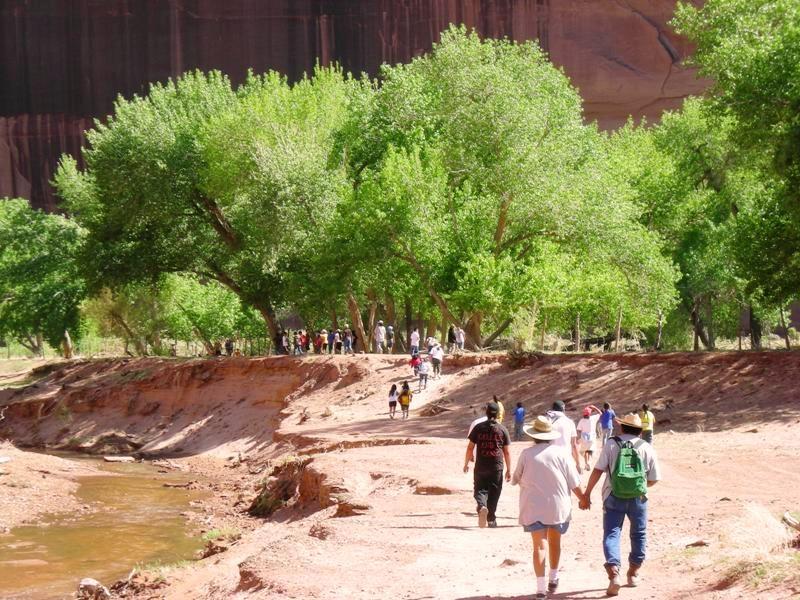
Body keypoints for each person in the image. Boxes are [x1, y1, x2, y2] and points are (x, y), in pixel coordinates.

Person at [581, 413, 661, 596]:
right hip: (638, 498)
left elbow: (598, 470)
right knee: (638, 533)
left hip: (612, 495)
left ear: (622, 427)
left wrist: (586, 494)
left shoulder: (611, 443)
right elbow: (654, 478)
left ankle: (614, 573)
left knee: (611, 533)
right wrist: (638, 486)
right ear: (640, 431)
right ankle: (633, 573)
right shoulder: (646, 447)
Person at [513, 416, 586, 599]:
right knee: (555, 542)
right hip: (558, 506)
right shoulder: (562, 453)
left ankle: (540, 589)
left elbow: (515, 479)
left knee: (539, 546)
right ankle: (553, 577)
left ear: (534, 436)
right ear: (550, 436)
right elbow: (574, 482)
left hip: (532, 505)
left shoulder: (526, 454)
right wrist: (583, 499)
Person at [464, 401, 512, 528]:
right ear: (498, 415)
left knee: (479, 490)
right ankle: (491, 519)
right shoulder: (502, 429)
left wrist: (466, 463)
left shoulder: (478, 427)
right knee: (494, 492)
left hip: (481, 466)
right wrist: (509, 470)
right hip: (497, 467)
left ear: (486, 412)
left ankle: (482, 506)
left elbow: (470, 447)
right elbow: (506, 452)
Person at [547, 401, 581, 472]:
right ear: (563, 410)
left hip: (549, 458)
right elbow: (574, 445)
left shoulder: (547, 421)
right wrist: (578, 463)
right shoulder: (570, 422)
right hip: (565, 458)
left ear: (553, 409)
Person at [576, 405, 602, 472]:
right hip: (592, 438)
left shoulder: (581, 420)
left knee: (584, 451)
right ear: (590, 413)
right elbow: (600, 413)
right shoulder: (593, 418)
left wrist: (578, 439)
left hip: (584, 438)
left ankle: (586, 463)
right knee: (589, 451)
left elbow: (578, 430)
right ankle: (588, 463)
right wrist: (595, 407)